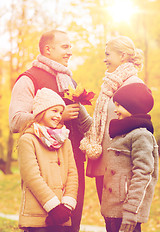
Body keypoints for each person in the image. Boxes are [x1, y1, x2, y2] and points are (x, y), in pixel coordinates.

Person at [9, 30, 92, 232]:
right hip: (42, 165)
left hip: (73, 163)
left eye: (70, 47)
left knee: (72, 224)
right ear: (48, 49)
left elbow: (86, 123)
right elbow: (15, 121)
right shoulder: (28, 79)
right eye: (65, 46)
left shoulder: (70, 81)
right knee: (44, 225)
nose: (70, 52)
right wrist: (56, 117)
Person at [80, 35, 144, 203]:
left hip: (121, 167)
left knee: (123, 221)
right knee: (109, 220)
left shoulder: (133, 84)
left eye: (108, 55)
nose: (104, 59)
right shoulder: (110, 85)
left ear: (122, 56)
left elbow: (138, 128)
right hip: (105, 162)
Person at [18, 88, 78, 232]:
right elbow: (32, 177)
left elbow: (72, 175)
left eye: (60, 112)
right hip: (37, 217)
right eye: (54, 111)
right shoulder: (28, 139)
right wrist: (53, 206)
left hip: (62, 215)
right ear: (41, 112)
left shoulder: (64, 140)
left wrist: (66, 206)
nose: (58, 115)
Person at [101, 83, 159, 232]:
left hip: (126, 212)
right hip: (112, 210)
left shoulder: (141, 135)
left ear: (133, 106)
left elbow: (143, 174)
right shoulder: (121, 133)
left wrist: (131, 210)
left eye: (119, 105)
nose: (115, 109)